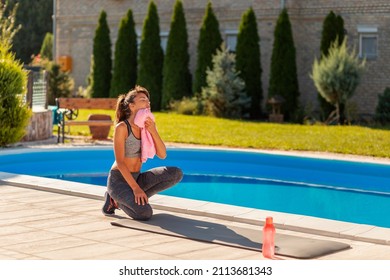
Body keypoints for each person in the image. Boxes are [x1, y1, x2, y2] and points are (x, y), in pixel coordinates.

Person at [102, 85, 183, 220]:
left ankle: (125, 199)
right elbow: (120, 163)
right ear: (131, 106)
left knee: (175, 174)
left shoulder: (147, 126)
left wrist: (153, 130)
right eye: (143, 100)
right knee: (145, 213)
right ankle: (113, 200)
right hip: (119, 180)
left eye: (148, 101)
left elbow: (162, 155)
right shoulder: (122, 127)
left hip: (136, 178)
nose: (148, 103)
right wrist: (136, 189)